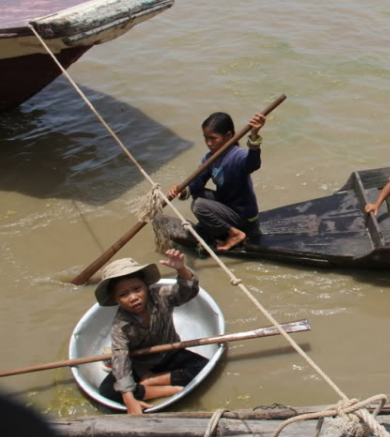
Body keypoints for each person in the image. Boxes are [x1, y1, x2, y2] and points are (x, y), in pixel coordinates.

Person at [96, 249, 208, 415]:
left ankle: (152, 381)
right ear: (116, 299)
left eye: (137, 289)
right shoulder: (120, 325)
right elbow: (121, 358)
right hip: (140, 363)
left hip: (171, 351)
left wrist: (181, 269)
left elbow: (188, 292)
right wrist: (129, 399)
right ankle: (158, 390)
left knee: (205, 368)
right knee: (107, 391)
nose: (133, 297)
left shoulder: (161, 296)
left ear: (147, 287)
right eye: (123, 294)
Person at [168, 112, 266, 251]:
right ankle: (222, 227)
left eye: (213, 138)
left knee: (199, 205)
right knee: (199, 194)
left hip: (243, 216)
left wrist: (254, 136)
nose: (209, 143)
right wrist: (181, 190)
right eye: (206, 138)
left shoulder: (238, 156)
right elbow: (196, 184)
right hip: (227, 206)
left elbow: (253, 164)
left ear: (229, 136)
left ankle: (235, 234)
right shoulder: (210, 158)